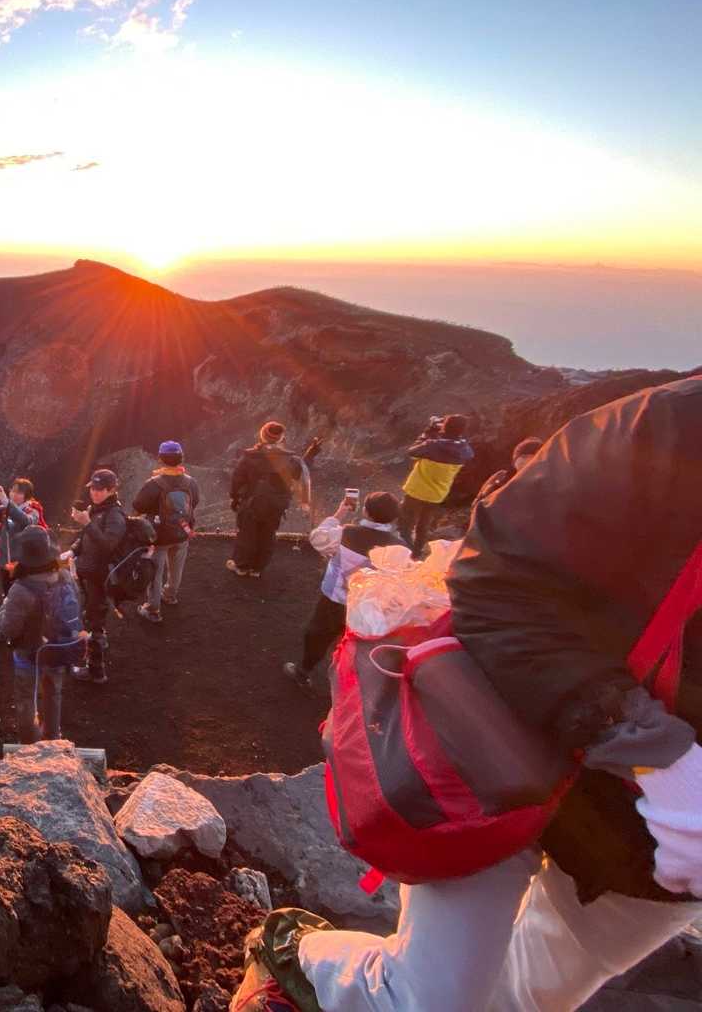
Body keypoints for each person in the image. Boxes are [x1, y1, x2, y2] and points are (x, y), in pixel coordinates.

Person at [237, 378, 702, 1012]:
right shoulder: (670, 429)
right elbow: (496, 579)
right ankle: (299, 954)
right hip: (492, 745)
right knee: (429, 1000)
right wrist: (658, 757)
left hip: (644, 849)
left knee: (530, 999)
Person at [282, 491, 405, 687]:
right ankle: (348, 684)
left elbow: (317, 538)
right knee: (355, 643)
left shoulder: (345, 533)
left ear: (366, 511)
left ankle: (303, 671)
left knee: (318, 634)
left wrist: (339, 513)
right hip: (367, 606)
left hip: (335, 598)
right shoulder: (400, 547)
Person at [0, 525, 80, 743]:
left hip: (29, 654)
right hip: (58, 648)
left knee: (26, 698)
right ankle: (52, 737)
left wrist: (4, 607)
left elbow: (8, 629)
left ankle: (29, 743)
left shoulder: (21, 589)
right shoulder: (65, 576)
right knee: (53, 692)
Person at [68, 469, 128, 684]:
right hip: (89, 572)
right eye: (92, 488)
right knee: (92, 615)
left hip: (99, 576)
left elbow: (108, 546)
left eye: (100, 489)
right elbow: (86, 537)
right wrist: (73, 551)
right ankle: (99, 644)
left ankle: (96, 671)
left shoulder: (115, 516)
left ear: (111, 490)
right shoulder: (97, 509)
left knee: (93, 620)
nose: (94, 492)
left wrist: (87, 523)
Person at [228, 421, 310, 579]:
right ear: (281, 438)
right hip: (276, 505)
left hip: (251, 503)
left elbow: (237, 480)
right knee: (267, 535)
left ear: (262, 435)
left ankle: (242, 567)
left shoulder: (250, 457)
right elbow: (297, 474)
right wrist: (309, 455)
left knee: (247, 535)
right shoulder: (290, 459)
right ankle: (257, 569)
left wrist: (234, 498)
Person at [131, 440, 200, 623]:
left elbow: (138, 505)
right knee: (176, 568)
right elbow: (195, 502)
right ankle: (170, 595)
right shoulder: (190, 482)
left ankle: (153, 609)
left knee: (155, 571)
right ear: (181, 458)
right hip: (182, 532)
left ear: (160, 459)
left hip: (159, 536)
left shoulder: (154, 484)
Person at [398, 413, 474, 557]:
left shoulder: (432, 446)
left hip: (416, 490)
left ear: (444, 427)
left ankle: (404, 553)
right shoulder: (465, 451)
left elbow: (412, 452)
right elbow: (460, 447)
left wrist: (428, 432)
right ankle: (416, 554)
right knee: (423, 526)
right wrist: (451, 436)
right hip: (437, 494)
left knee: (405, 525)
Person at [0, 478, 45, 597]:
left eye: (19, 492)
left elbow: (25, 521)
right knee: (8, 594)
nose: (14, 494)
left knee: (24, 596)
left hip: (23, 564)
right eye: (13, 491)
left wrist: (5, 501)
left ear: (27, 496)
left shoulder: (33, 511)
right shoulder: (5, 510)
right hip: (5, 562)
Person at [473, 436, 544, 511]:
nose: (527, 464)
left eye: (533, 459)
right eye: (524, 457)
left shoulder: (545, 482)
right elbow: (478, 505)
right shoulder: (502, 478)